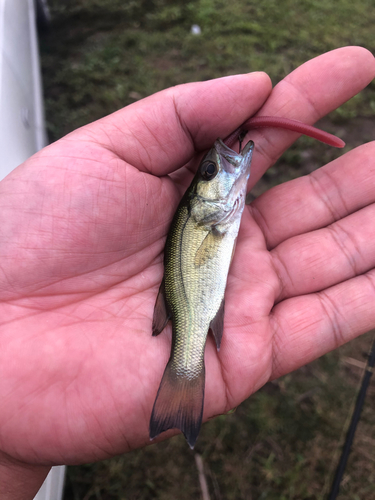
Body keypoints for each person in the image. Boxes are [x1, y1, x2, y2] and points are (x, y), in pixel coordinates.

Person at [1, 46, 374, 499]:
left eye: (210, 168)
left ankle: (185, 373)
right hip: (194, 301)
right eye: (214, 170)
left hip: (194, 286)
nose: (223, 165)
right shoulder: (208, 218)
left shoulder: (212, 216)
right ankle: (186, 367)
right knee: (191, 344)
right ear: (203, 199)